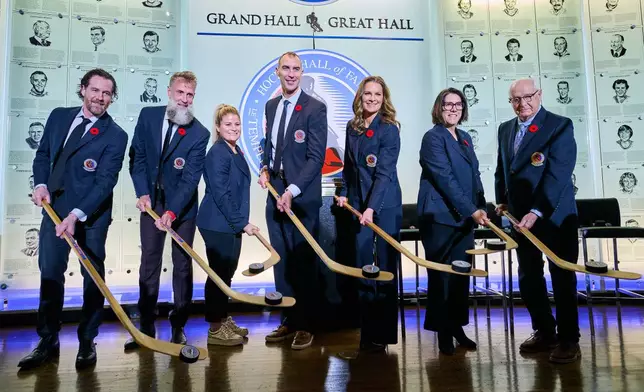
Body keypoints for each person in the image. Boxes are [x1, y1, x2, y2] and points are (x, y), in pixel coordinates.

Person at [20, 68, 128, 370]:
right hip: (54, 212)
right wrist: (40, 184)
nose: (100, 98)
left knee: (93, 278)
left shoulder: (116, 135)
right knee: (50, 274)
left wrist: (75, 216)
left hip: (89, 215)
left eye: (107, 93)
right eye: (95, 90)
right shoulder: (58, 116)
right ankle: (47, 340)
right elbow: (43, 156)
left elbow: (105, 182)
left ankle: (86, 341)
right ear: (83, 90)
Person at [495, 78, 580, 363]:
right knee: (529, 277)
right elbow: (503, 169)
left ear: (539, 94)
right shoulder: (505, 129)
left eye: (528, 97)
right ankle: (545, 332)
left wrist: (537, 211)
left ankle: (569, 340)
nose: (523, 104)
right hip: (521, 220)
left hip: (554, 216)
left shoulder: (559, 125)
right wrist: (502, 199)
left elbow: (558, 174)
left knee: (562, 277)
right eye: (516, 100)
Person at [126, 71, 209, 349]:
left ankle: (178, 325)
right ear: (169, 92)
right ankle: (146, 325)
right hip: (152, 202)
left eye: (190, 95)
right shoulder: (148, 116)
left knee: (182, 266)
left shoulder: (200, 133)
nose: (185, 99)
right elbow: (136, 158)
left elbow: (190, 179)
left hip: (182, 208)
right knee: (149, 262)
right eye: (180, 93)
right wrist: (142, 193)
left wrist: (172, 211)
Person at [257, 51, 327, 350]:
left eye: (296, 69)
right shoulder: (271, 105)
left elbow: (316, 158)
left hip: (300, 196)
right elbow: (272, 146)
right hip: (276, 191)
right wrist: (264, 168)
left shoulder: (315, 108)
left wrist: (293, 190)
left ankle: (307, 324)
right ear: (277, 72)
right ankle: (289, 321)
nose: (291, 73)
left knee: (303, 262)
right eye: (285, 68)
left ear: (301, 73)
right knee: (281, 260)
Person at [417, 87, 489, 355]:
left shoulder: (465, 137)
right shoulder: (432, 138)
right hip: (440, 219)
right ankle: (443, 333)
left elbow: (474, 175)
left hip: (464, 218)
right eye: (448, 104)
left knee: (461, 277)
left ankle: (457, 327)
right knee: (442, 278)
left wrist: (481, 205)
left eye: (458, 104)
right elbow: (445, 178)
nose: (453, 109)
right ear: (439, 107)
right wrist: (471, 210)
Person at [335, 76, 402, 358]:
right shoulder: (353, 127)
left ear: (383, 97)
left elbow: (384, 174)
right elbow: (349, 168)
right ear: (360, 97)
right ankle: (368, 333)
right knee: (364, 270)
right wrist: (346, 194)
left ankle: (384, 335)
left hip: (384, 207)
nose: (372, 98)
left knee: (385, 270)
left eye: (377, 94)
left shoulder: (389, 129)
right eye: (367, 94)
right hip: (359, 208)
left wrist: (372, 208)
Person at [196, 104, 258, 346]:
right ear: (218, 128)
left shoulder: (235, 150)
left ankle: (222, 318)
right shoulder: (218, 153)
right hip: (217, 223)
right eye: (228, 125)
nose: (234, 129)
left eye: (237, 124)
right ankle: (214, 329)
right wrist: (243, 223)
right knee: (218, 276)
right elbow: (221, 194)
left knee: (226, 273)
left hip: (230, 224)